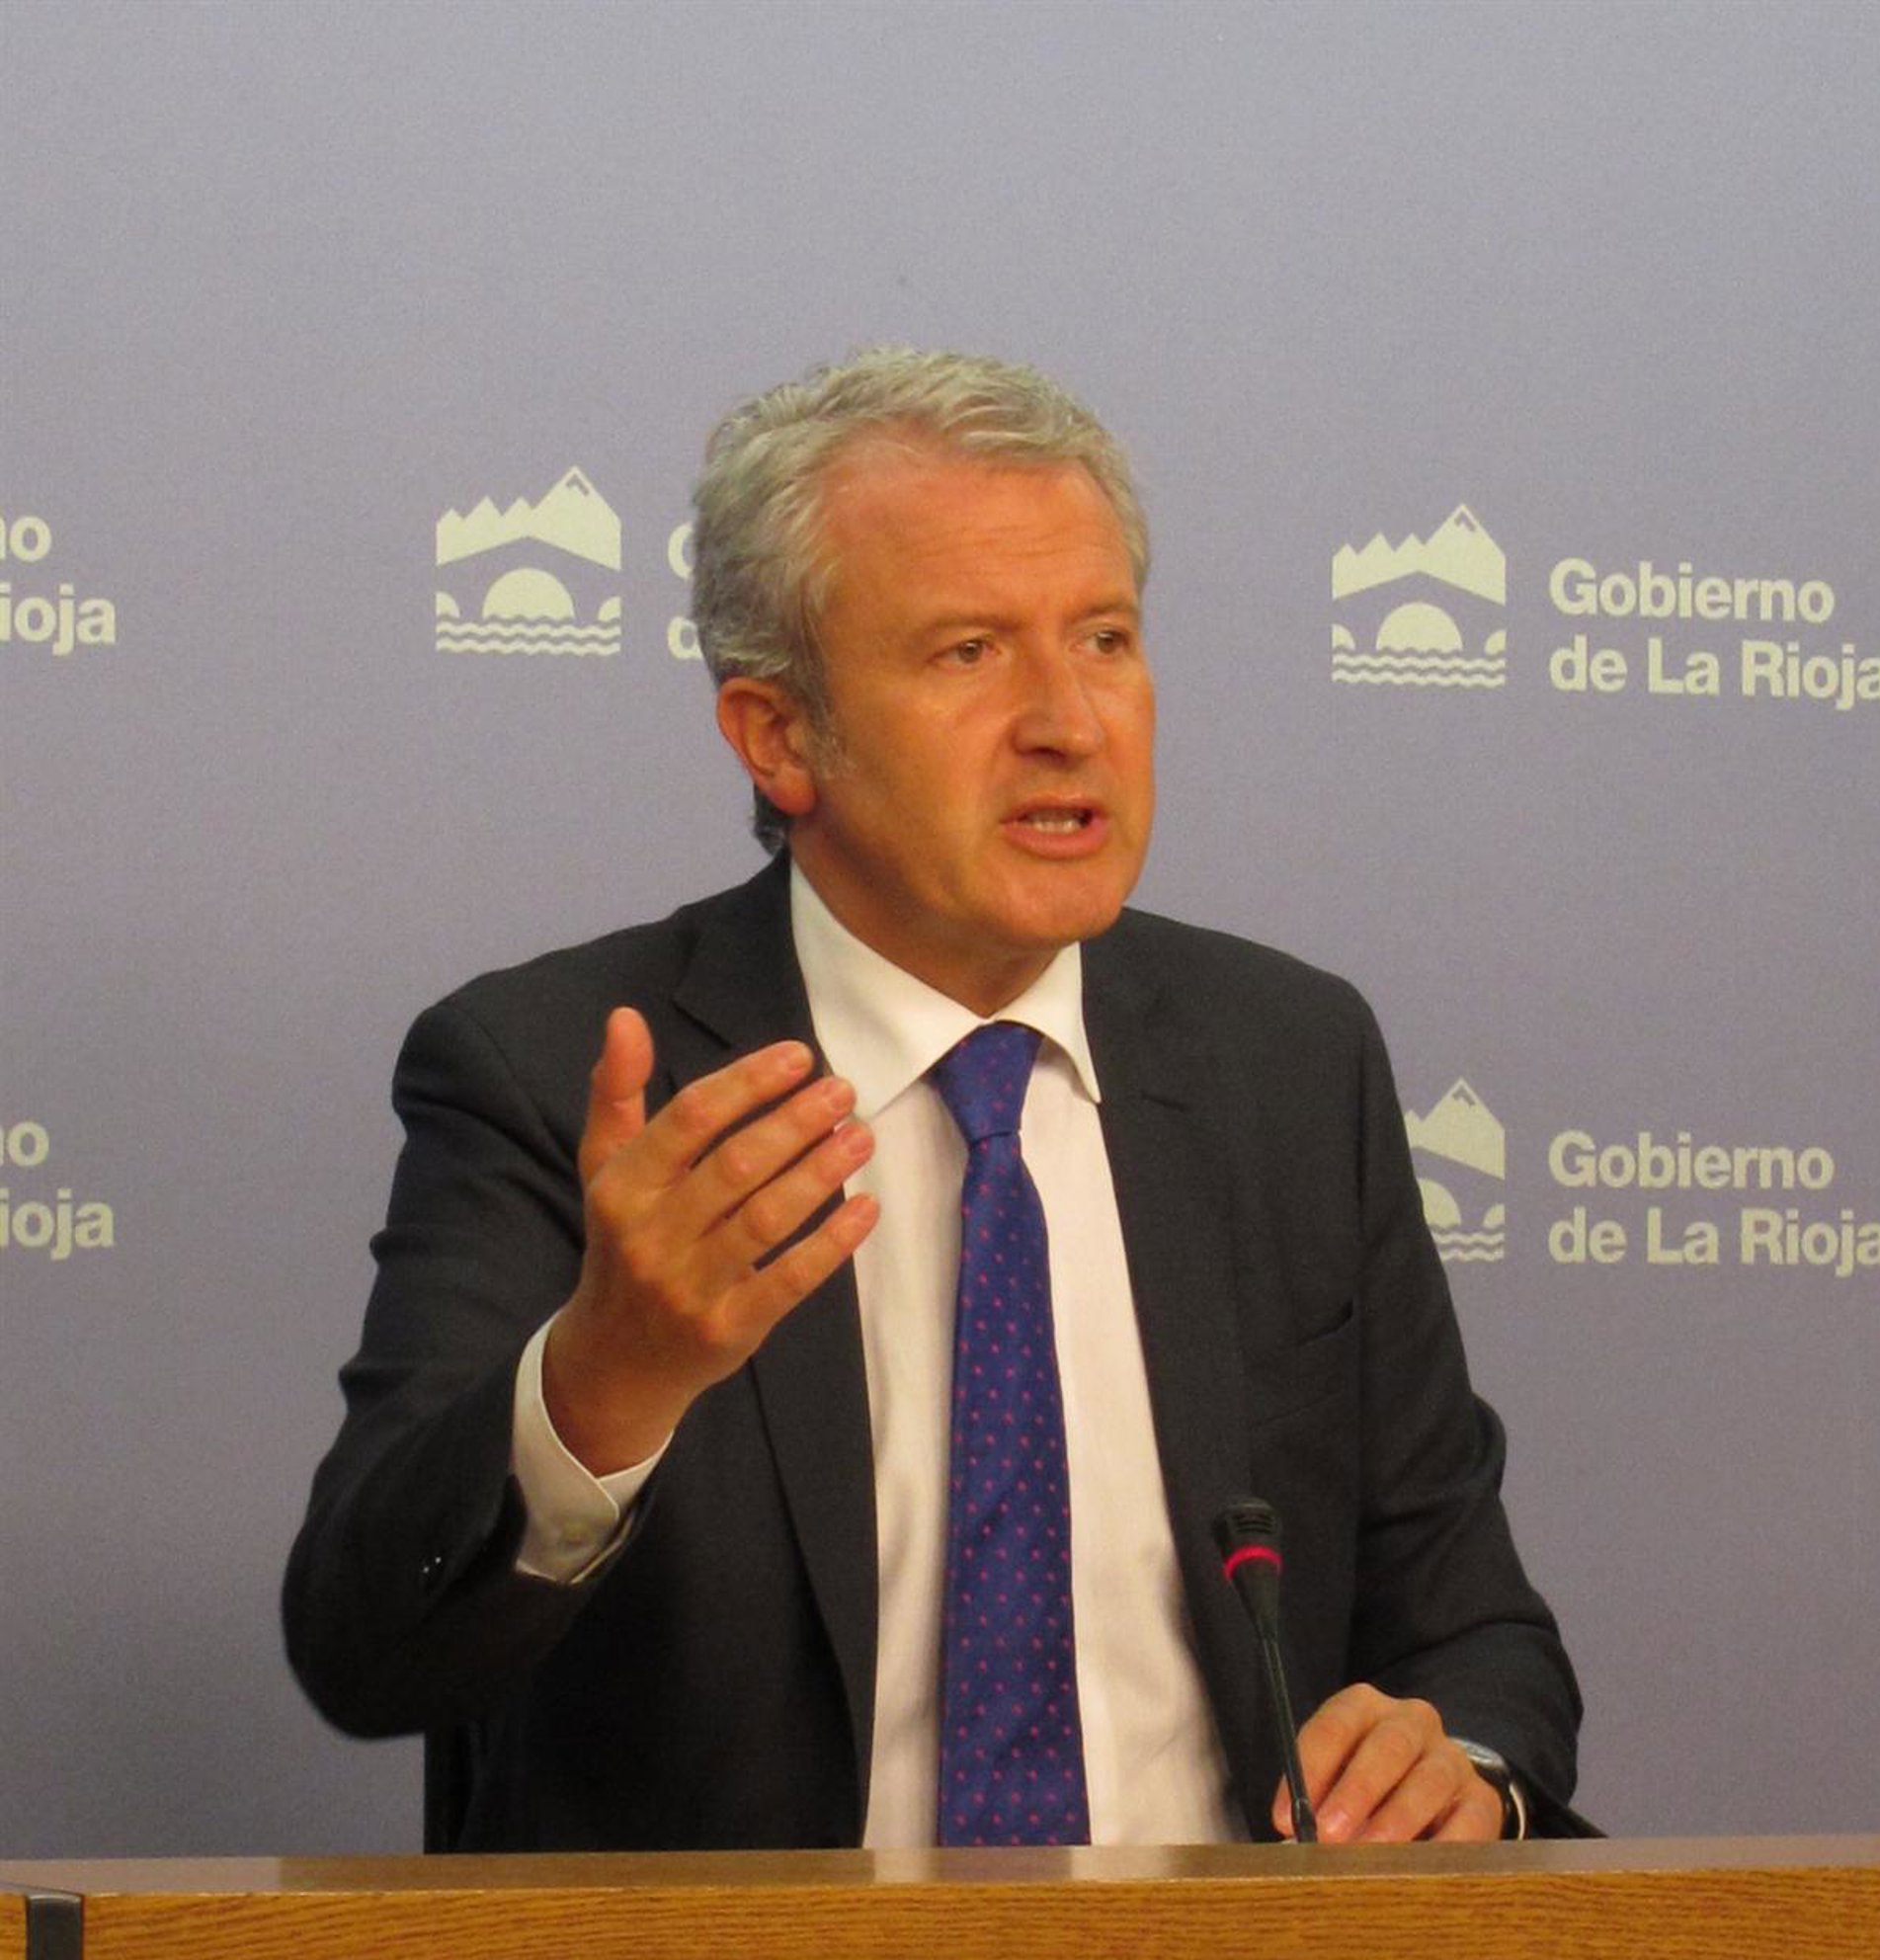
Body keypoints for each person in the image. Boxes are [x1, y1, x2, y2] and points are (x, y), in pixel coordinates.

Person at [285, 348, 1582, 1854]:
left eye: (1104, 639)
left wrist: (1459, 1762)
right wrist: (605, 1380)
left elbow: (1473, 1629)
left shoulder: (1287, 1062)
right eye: (969, 653)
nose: (1069, 721)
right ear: (780, 735)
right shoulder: (557, 1071)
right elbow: (364, 1647)